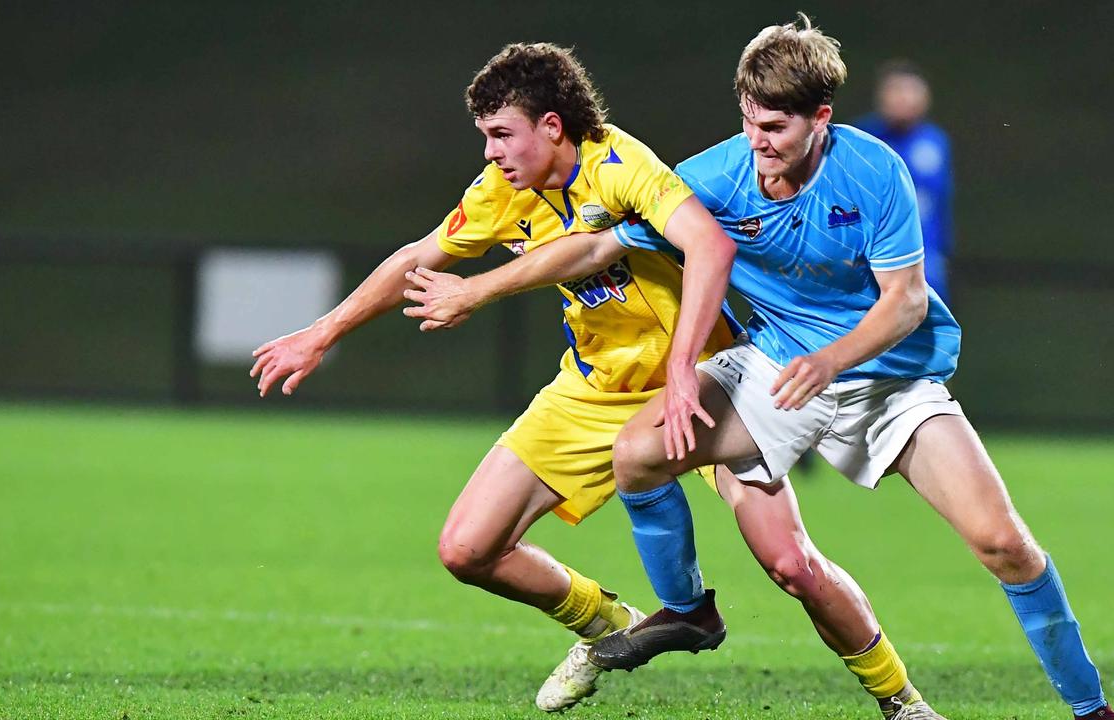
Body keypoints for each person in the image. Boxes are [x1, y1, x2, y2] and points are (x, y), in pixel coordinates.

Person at [407, 14, 1110, 720]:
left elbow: (903, 304)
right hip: (774, 366)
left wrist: (829, 359)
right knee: (640, 453)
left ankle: (1085, 708)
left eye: (773, 126)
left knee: (1004, 546)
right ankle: (685, 612)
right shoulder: (716, 175)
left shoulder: (872, 170)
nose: (756, 142)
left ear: (820, 118)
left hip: (888, 379)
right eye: (747, 121)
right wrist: (477, 288)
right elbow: (595, 249)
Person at [250, 42, 741, 712]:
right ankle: (607, 625)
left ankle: (898, 697)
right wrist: (321, 332)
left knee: (787, 560)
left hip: (704, 379)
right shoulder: (497, 194)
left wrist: (477, 292)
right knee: (466, 548)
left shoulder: (621, 165)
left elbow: (705, 242)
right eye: (484, 136)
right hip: (595, 387)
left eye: (500, 134)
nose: (489, 152)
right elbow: (417, 258)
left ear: (551, 126)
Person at [855, 60, 954, 302]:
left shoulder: (935, 141)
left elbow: (941, 203)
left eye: (911, 90)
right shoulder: (863, 140)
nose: (903, 98)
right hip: (874, 259)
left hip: (926, 257)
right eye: (896, 90)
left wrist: (945, 253)